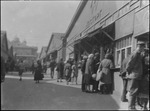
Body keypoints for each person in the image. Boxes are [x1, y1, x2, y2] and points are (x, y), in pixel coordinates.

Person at [126, 41, 145, 110]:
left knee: (134, 92)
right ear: (140, 47)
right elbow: (130, 63)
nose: (144, 49)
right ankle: (130, 107)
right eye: (143, 47)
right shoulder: (135, 53)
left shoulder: (139, 54)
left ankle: (133, 106)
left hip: (136, 75)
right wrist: (129, 72)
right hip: (134, 75)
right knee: (132, 92)